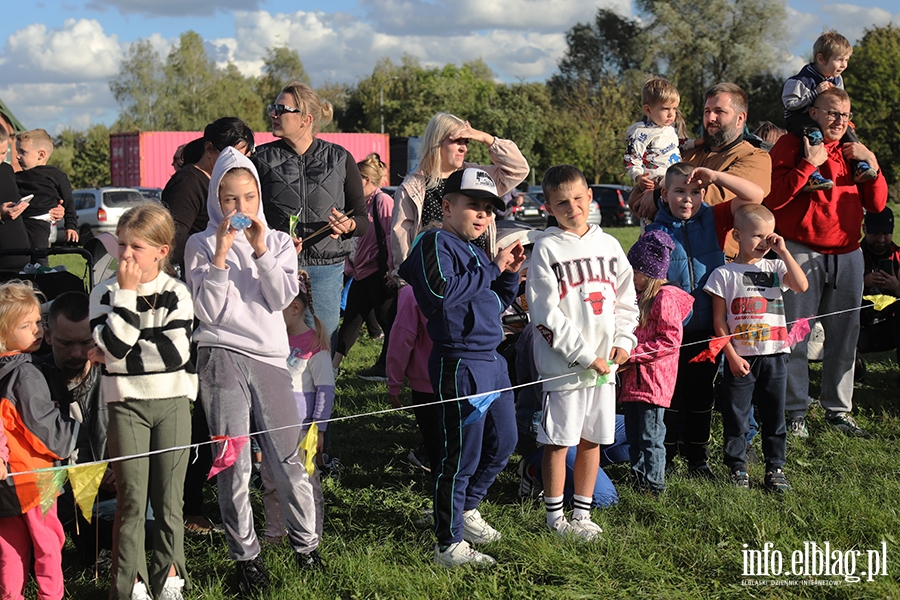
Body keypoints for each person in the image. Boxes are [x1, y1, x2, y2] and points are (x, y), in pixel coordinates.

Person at [185, 147, 318, 592]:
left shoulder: (278, 241)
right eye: (228, 200)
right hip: (219, 356)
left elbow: (281, 299)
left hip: (269, 357)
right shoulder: (201, 243)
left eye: (247, 197)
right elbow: (209, 310)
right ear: (215, 200)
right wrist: (221, 256)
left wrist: (260, 249)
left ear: (258, 196)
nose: (239, 209)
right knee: (233, 461)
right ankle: (246, 557)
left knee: (287, 458)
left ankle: (306, 547)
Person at [398, 167, 524, 568]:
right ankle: (447, 544)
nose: (483, 215)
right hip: (460, 364)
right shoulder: (432, 241)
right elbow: (440, 293)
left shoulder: (476, 251)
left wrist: (510, 272)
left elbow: (492, 298)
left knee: (505, 442)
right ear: (448, 207)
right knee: (460, 457)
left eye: (489, 209)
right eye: (474, 205)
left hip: (493, 361)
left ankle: (466, 510)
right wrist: (491, 267)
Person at [765, 87, 888, 438]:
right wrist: (808, 164)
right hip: (801, 250)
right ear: (814, 112)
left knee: (845, 335)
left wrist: (872, 163)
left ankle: (838, 409)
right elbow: (772, 198)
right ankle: (795, 411)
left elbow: (877, 205)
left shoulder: (853, 151)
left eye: (845, 115)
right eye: (832, 113)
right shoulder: (792, 144)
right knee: (797, 333)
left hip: (848, 252)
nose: (839, 121)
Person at [88, 204, 196, 600]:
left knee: (169, 499)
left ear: (162, 251)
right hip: (125, 405)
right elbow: (113, 344)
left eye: (136, 247)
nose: (126, 255)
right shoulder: (107, 291)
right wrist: (128, 296)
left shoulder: (177, 293)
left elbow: (175, 355)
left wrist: (119, 356)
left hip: (172, 401)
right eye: (121, 245)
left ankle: (169, 576)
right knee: (131, 500)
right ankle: (129, 583)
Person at [526, 165, 637, 538]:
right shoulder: (546, 248)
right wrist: (584, 356)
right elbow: (544, 314)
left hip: (605, 368)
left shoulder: (608, 244)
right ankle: (555, 518)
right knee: (559, 441)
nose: (572, 207)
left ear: (590, 197)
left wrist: (625, 341)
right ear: (548, 207)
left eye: (578, 198)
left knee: (593, 438)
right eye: (562, 202)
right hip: (566, 367)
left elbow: (626, 298)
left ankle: (582, 515)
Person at [645, 162, 764, 477]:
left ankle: (698, 459)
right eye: (679, 192)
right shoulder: (655, 231)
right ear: (665, 193)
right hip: (669, 333)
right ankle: (666, 459)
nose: (687, 199)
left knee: (701, 396)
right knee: (669, 398)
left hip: (708, 328)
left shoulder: (715, 218)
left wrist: (716, 177)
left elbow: (757, 194)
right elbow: (643, 282)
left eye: (695, 192)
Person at [254, 81, 369, 347]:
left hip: (326, 271)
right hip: (277, 268)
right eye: (273, 107)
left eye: (281, 109)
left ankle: (324, 390)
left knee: (323, 345)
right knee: (277, 346)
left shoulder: (340, 159)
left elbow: (362, 219)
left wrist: (349, 224)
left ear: (305, 119)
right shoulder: (260, 159)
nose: (273, 114)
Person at [704, 205, 808, 492]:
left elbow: (801, 285)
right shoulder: (723, 274)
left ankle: (775, 468)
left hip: (775, 356)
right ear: (737, 235)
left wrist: (784, 251)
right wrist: (732, 356)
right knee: (736, 417)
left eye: (769, 236)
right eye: (757, 236)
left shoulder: (775, 267)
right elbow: (718, 321)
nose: (764, 243)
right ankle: (738, 468)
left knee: (774, 415)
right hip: (741, 360)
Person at [0, 281, 78, 600]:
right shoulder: (27, 375)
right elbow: (45, 429)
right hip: (37, 478)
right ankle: (51, 595)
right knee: (48, 542)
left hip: (6, 479)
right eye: (26, 325)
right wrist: (76, 433)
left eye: (37, 322)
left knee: (10, 547)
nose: (36, 330)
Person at [630, 83, 771, 259]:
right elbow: (637, 200)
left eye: (719, 111)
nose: (710, 118)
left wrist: (659, 197)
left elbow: (716, 198)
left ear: (740, 118)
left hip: (719, 265)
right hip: (668, 261)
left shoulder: (754, 157)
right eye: (707, 111)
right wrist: (649, 190)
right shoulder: (684, 153)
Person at [35, 291, 118, 565]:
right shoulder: (28, 382)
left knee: (149, 524)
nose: (76, 353)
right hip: (46, 496)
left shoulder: (116, 376)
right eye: (65, 343)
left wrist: (121, 470)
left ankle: (96, 543)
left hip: (103, 492)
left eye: (85, 342)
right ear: (47, 336)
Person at [391, 112, 528, 274]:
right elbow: (402, 241)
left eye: (467, 141)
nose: (464, 147)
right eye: (457, 141)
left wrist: (486, 138)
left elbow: (518, 169)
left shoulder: (476, 176)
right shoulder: (413, 187)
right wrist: (405, 283)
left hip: (480, 277)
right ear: (436, 141)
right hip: (438, 283)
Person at [260, 270, 333, 556]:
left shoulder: (315, 346)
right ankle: (276, 531)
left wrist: (320, 428)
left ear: (294, 307)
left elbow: (326, 390)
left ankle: (311, 533)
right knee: (270, 480)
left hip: (303, 431)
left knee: (305, 483)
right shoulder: (271, 342)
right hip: (271, 426)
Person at [620, 230, 693, 496]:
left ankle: (654, 484)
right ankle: (638, 478)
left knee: (651, 436)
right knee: (634, 434)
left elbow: (670, 341)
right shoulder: (637, 299)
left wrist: (633, 353)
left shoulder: (664, 298)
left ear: (647, 272)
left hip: (653, 383)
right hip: (632, 381)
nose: (631, 277)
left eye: (634, 272)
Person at [782, 30, 877, 191]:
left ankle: (858, 165)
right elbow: (790, 104)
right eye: (839, 60)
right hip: (800, 117)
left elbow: (841, 101)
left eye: (846, 60)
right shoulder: (800, 80)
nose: (844, 65)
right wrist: (815, 93)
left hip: (824, 117)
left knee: (849, 129)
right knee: (814, 134)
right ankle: (812, 173)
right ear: (821, 59)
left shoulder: (837, 79)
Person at [163, 117, 256, 274]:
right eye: (230, 155)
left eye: (243, 158)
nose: (236, 163)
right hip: (201, 275)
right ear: (209, 149)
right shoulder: (187, 182)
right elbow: (172, 239)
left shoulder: (222, 181)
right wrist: (214, 246)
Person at [332, 155, 396, 381]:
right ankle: (333, 366)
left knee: (388, 321)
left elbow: (390, 237)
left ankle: (390, 368)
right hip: (360, 273)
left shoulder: (383, 201)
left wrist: (390, 269)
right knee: (352, 317)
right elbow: (353, 240)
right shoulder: (359, 206)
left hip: (378, 273)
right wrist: (349, 266)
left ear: (367, 180)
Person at [624, 78, 689, 217]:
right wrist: (638, 176)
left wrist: (696, 143)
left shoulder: (670, 128)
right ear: (648, 109)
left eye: (674, 109)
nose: (671, 114)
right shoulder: (641, 133)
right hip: (655, 181)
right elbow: (631, 158)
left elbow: (680, 143)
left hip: (673, 176)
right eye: (665, 109)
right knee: (652, 217)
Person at [14, 129, 78, 250]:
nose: (17, 156)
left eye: (22, 152)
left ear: (41, 155)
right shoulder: (16, 177)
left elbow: (68, 202)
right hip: (17, 222)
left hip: (39, 223)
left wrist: (70, 226)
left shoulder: (56, 176)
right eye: (17, 151)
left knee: (39, 254)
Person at [858, 207, 900, 369]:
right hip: (858, 325)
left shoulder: (897, 255)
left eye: (886, 233)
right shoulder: (854, 255)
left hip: (892, 324)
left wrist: (896, 287)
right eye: (876, 233)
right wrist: (863, 283)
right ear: (864, 229)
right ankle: (855, 362)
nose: (881, 239)